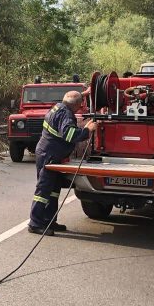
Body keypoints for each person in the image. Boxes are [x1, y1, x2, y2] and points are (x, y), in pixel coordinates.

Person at [28, 90, 98, 235]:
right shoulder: (66, 114)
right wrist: (87, 130)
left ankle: (49, 221)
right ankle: (35, 223)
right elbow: (69, 134)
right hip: (49, 156)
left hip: (50, 154)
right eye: (81, 103)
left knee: (53, 191)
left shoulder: (59, 106)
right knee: (44, 191)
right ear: (78, 105)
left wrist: (84, 93)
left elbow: (73, 98)